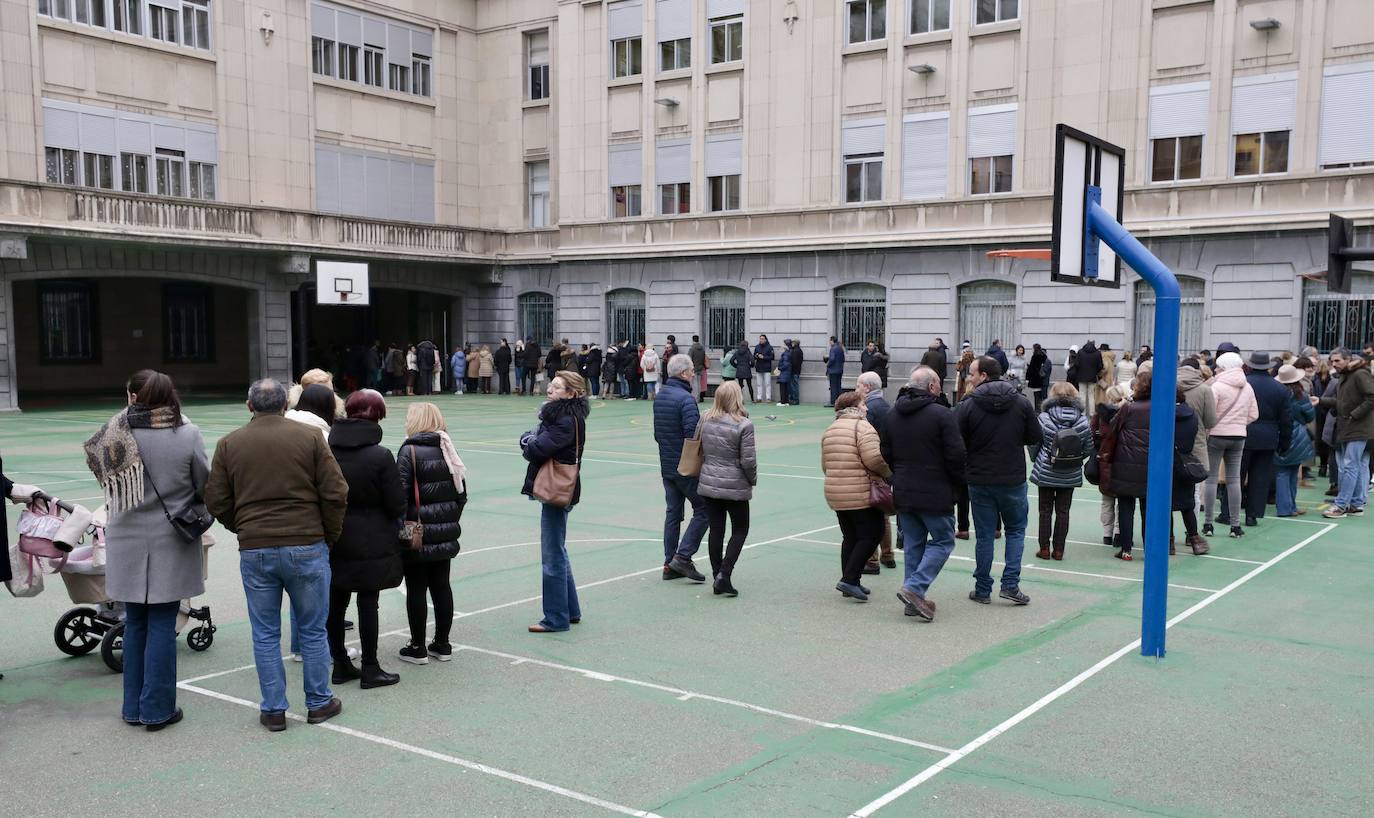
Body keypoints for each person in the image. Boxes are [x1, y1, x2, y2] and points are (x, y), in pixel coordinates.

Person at [205, 379, 348, 731]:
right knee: (313, 631)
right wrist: (328, 534)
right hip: (307, 543)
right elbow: (336, 492)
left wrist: (243, 526)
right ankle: (318, 702)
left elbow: (216, 501)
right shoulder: (311, 437)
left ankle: (273, 709)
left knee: (265, 632)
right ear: (285, 404)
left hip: (256, 547)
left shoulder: (229, 444)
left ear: (249, 406)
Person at [82, 371, 207, 731]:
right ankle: (157, 708)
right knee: (163, 624)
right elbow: (204, 483)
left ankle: (132, 707)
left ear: (132, 396)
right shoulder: (186, 433)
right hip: (172, 537)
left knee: (134, 623)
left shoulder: (111, 433)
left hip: (125, 540)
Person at [325, 390, 404, 690]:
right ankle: (371, 667)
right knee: (368, 603)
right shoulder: (380, 455)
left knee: (336, 603)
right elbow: (397, 503)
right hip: (372, 536)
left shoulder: (327, 449)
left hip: (334, 534)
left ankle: (340, 663)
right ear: (377, 416)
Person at [882, 366, 966, 621]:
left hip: (905, 488)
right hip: (935, 489)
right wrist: (958, 484)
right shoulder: (942, 414)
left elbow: (886, 451)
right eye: (939, 384)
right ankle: (914, 588)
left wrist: (900, 473)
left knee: (913, 544)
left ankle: (913, 599)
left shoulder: (892, 414)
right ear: (931, 387)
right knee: (943, 540)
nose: (940, 388)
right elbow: (956, 455)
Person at [955, 356, 1039, 605]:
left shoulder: (968, 404)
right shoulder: (1021, 403)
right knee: (1015, 532)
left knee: (984, 535)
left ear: (982, 375)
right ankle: (1010, 585)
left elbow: (957, 440)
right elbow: (1035, 435)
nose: (969, 377)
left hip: (980, 478)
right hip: (1011, 476)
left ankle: (982, 589)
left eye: (972, 373)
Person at [396, 403, 467, 664]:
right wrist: (448, 520)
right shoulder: (448, 448)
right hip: (444, 531)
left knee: (416, 588)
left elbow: (400, 496)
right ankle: (442, 643)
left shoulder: (409, 450)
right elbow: (462, 493)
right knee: (441, 585)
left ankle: (417, 646)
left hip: (417, 531)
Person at [1102, 369, 1199, 560]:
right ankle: (1149, 548)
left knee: (1126, 506)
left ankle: (1126, 549)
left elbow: (1112, 429)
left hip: (1126, 463)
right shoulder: (1163, 408)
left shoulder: (1128, 408)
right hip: (1152, 464)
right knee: (1148, 509)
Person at [520, 371, 590, 632]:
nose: (550, 389)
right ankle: (569, 610)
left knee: (552, 555)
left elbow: (537, 448)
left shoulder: (563, 420)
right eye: (551, 384)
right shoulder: (561, 416)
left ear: (570, 393)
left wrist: (527, 440)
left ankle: (556, 618)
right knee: (557, 549)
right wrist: (530, 439)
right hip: (562, 488)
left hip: (558, 490)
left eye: (557, 387)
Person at [821, 391, 891, 601]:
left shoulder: (830, 429)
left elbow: (825, 465)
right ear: (855, 407)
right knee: (873, 533)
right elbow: (874, 460)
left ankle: (851, 580)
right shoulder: (863, 427)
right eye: (863, 404)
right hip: (860, 490)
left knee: (850, 537)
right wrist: (888, 473)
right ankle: (850, 579)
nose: (866, 408)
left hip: (836, 491)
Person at [694, 381, 756, 597]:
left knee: (716, 530)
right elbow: (748, 461)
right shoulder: (744, 424)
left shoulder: (705, 418)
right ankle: (725, 574)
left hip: (709, 480)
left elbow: (697, 446)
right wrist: (752, 480)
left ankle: (716, 573)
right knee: (740, 529)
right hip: (735, 483)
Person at [654, 354, 710, 581]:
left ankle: (670, 563)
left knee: (673, 514)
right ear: (685, 373)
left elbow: (658, 434)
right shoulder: (686, 399)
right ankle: (683, 557)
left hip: (667, 463)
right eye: (692, 372)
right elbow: (693, 435)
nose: (694, 375)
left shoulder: (661, 395)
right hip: (684, 465)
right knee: (704, 509)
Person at [1028, 382, 1093, 561]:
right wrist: (1076, 459)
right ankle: (1059, 550)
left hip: (1047, 468)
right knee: (1063, 511)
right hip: (1070, 471)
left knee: (1045, 511)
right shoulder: (1082, 419)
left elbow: (1034, 443)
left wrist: (1037, 458)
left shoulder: (1044, 417)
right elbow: (1088, 447)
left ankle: (1044, 549)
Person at [1203, 351, 1258, 538]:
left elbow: (1209, 415)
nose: (1216, 369)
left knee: (1210, 479)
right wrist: (1239, 424)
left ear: (1224, 368)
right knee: (1234, 480)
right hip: (1239, 436)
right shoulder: (1247, 387)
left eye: (1218, 366)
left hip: (1217, 435)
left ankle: (1208, 524)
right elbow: (1254, 415)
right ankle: (1235, 526)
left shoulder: (1217, 386)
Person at [1315, 349, 1374, 518]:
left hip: (1358, 428)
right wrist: (1320, 400)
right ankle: (1355, 504)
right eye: (1332, 361)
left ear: (1348, 360)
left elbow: (1371, 397)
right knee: (1356, 465)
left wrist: (1354, 414)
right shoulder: (1347, 375)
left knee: (1350, 466)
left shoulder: (1358, 374)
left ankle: (1341, 505)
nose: (1334, 364)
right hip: (1353, 427)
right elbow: (1343, 402)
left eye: (1337, 361)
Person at [1241, 351, 1292, 526]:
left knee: (1236, 476)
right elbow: (1286, 419)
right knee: (1260, 477)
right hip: (1268, 436)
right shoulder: (1281, 389)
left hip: (1244, 432)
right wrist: (1284, 443)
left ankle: (1228, 512)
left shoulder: (1244, 384)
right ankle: (1252, 515)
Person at [856, 371, 895, 572]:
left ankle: (871, 559)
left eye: (858, 386)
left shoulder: (869, 410)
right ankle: (888, 554)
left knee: (869, 513)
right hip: (886, 465)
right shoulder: (888, 407)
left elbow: (865, 440)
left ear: (867, 388)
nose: (856, 390)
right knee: (883, 513)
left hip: (872, 466)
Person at [1177, 358, 1217, 554]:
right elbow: (1211, 421)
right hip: (1196, 446)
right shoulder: (1204, 389)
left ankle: (1166, 538)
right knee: (1193, 494)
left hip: (1170, 447)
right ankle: (1191, 535)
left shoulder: (1166, 383)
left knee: (1166, 492)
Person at [1273, 366, 1315, 518]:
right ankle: (1291, 506)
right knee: (1292, 473)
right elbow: (1310, 416)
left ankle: (1285, 508)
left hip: (1280, 434)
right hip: (1299, 435)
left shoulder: (1276, 394)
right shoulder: (1301, 395)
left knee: (1282, 473)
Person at [1076, 341, 1102, 414]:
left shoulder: (1080, 352)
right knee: (1091, 396)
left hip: (1081, 377)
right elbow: (1100, 366)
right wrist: (1095, 371)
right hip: (1092, 377)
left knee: (1082, 395)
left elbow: (1077, 364)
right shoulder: (1097, 353)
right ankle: (1092, 413)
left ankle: (1082, 412)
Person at [753, 334, 776, 403]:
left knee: (767, 384)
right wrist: (757, 356)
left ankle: (768, 398)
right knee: (759, 384)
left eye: (762, 339)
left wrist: (764, 357)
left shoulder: (770, 347)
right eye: (760, 339)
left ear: (765, 339)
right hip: (759, 367)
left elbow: (772, 357)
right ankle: (759, 398)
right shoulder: (757, 347)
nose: (761, 340)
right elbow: (753, 356)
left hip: (767, 368)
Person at [824, 336, 846, 407]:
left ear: (832, 341)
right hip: (840, 370)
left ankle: (833, 401)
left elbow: (832, 359)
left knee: (833, 386)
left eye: (830, 341)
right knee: (838, 386)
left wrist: (828, 365)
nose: (829, 343)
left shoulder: (833, 349)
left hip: (833, 370)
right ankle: (839, 401)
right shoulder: (840, 348)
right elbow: (843, 359)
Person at [689, 335, 708, 401]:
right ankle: (699, 397)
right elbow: (703, 358)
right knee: (699, 383)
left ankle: (695, 398)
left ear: (693, 340)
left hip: (694, 368)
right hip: (701, 367)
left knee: (694, 383)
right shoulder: (702, 349)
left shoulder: (692, 348)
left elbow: (689, 359)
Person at [776, 339, 794, 407]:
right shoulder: (788, 353)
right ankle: (786, 401)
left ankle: (783, 402)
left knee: (783, 388)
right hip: (786, 373)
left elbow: (785, 364)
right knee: (786, 388)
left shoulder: (785, 354)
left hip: (784, 373)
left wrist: (779, 368)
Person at [788, 339, 804, 405]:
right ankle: (795, 399)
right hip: (797, 370)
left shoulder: (795, 351)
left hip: (794, 371)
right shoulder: (800, 350)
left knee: (794, 386)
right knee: (795, 385)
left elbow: (794, 362)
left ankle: (795, 399)